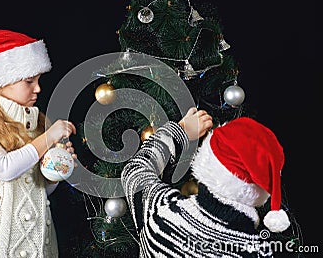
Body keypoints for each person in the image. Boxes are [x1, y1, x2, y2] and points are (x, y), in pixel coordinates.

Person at [0, 29, 77, 258]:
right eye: (29, 81)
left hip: (38, 240)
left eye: (38, 81)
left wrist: (56, 170)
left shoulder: (37, 122)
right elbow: (4, 168)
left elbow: (39, 191)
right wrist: (48, 137)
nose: (38, 89)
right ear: (1, 81)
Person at [121, 107, 291, 257]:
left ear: (207, 159)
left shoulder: (163, 210)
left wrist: (181, 131)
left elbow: (135, 172)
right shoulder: (257, 251)